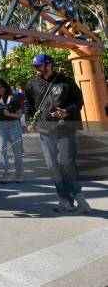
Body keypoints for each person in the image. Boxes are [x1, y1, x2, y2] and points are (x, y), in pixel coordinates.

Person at [24, 54, 89, 213]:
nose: (36, 69)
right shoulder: (31, 84)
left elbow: (79, 101)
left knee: (67, 163)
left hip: (65, 129)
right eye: (34, 66)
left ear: (49, 65)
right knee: (53, 166)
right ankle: (64, 200)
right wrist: (29, 121)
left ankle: (79, 196)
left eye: (38, 66)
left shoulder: (66, 81)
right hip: (45, 132)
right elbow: (28, 105)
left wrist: (66, 112)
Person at [0, 79, 24, 183]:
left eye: (0, 87)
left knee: (16, 151)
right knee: (1, 151)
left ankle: (19, 174)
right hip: (1, 126)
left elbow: (19, 114)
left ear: (5, 87)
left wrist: (9, 114)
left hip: (14, 125)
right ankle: (6, 174)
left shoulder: (13, 98)